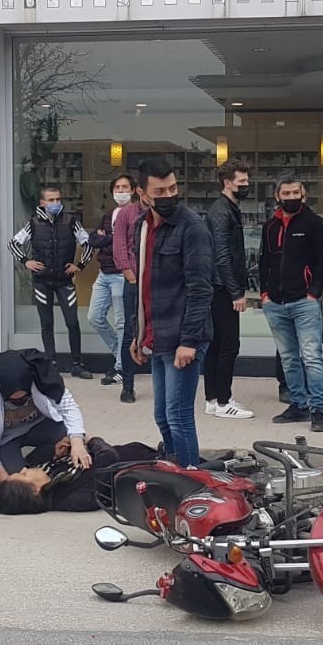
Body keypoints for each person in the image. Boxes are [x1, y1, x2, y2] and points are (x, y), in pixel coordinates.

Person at [130, 159, 213, 467]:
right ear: (142, 194)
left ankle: (191, 481)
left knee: (178, 415)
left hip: (184, 337)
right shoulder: (142, 226)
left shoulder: (192, 227)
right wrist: (136, 335)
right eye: (160, 190)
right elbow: (141, 286)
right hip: (157, 334)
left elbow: (201, 288)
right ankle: (175, 471)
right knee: (162, 415)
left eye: (173, 188)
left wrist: (189, 341)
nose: (168, 195)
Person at [260, 177, 323, 433]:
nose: (291, 196)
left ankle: (317, 410)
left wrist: (314, 292)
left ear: (303, 195)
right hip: (275, 303)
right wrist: (264, 293)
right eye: (286, 192)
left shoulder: (315, 224)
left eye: (295, 192)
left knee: (311, 357)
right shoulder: (270, 226)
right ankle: (298, 405)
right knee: (289, 359)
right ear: (277, 196)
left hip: (304, 302)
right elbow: (264, 261)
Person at [0, 349, 90, 491]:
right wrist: (4, 480)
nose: (19, 402)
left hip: (40, 426)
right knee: (20, 485)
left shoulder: (41, 373)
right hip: (5, 439)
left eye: (23, 398)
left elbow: (68, 406)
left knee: (73, 439)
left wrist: (77, 443)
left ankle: (48, 458)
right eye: (11, 400)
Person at [10, 185, 93, 378]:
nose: (55, 203)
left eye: (58, 199)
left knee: (72, 322)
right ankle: (51, 364)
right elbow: (13, 244)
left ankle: (76, 364)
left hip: (65, 281)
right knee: (46, 324)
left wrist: (79, 266)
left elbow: (88, 244)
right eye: (51, 200)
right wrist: (26, 261)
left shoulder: (71, 221)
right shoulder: (33, 223)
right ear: (42, 203)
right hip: (42, 282)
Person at [0, 436, 162, 515]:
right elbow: (109, 460)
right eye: (23, 475)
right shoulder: (70, 495)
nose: (25, 469)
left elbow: (39, 454)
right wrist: (90, 442)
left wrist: (60, 454)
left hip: (141, 452)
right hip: (156, 467)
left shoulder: (51, 476)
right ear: (35, 491)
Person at [204, 160, 254, 420]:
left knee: (216, 344)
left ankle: (212, 399)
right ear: (227, 183)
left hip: (219, 285)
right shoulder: (222, 211)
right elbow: (222, 254)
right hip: (223, 288)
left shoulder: (225, 208)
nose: (246, 186)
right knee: (229, 345)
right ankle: (224, 401)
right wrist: (236, 292)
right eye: (241, 182)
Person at [87, 174, 134, 385]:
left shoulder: (136, 214)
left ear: (133, 190)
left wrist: (107, 237)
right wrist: (111, 237)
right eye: (118, 187)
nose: (121, 191)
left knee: (122, 322)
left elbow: (128, 243)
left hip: (121, 275)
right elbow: (93, 239)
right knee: (94, 317)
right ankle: (122, 355)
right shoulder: (109, 214)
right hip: (103, 273)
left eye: (125, 187)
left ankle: (121, 368)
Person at [112, 176, 147, 404]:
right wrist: (129, 274)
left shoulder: (162, 213)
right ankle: (127, 386)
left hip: (156, 282)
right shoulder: (127, 213)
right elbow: (119, 246)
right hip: (134, 280)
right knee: (129, 332)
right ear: (139, 191)